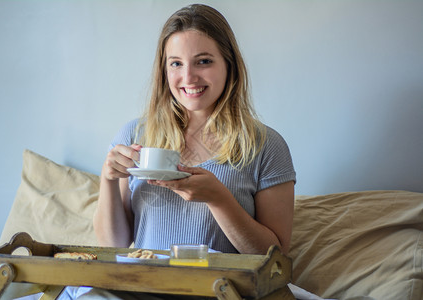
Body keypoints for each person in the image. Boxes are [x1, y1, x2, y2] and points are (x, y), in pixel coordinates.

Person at [93, 3, 295, 260]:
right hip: (144, 286)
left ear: (228, 65)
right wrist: (108, 179)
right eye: (176, 63)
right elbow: (114, 245)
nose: (188, 77)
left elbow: (275, 259)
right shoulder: (134, 135)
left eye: (203, 61)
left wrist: (219, 199)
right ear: (164, 71)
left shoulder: (266, 146)